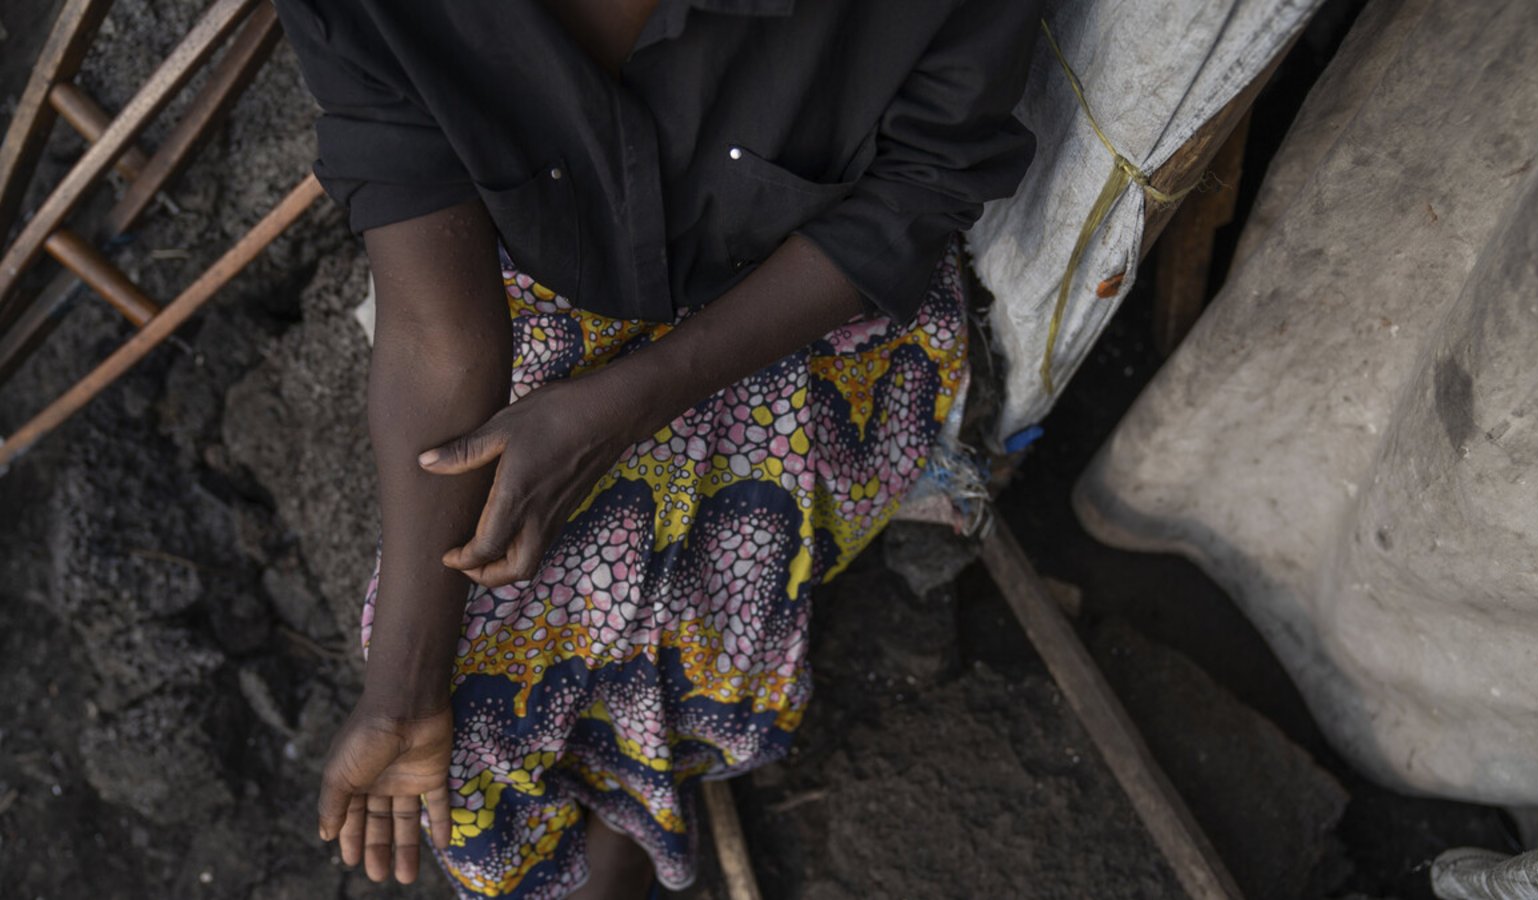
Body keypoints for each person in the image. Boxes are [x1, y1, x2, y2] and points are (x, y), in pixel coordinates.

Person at [272, 1, 1043, 897]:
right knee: (461, 699)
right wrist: (402, 689)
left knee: (701, 633)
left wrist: (625, 408)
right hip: (545, 299)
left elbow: (917, 192)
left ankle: (637, 810)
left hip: (811, 319)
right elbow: (439, 335)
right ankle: (611, 811)